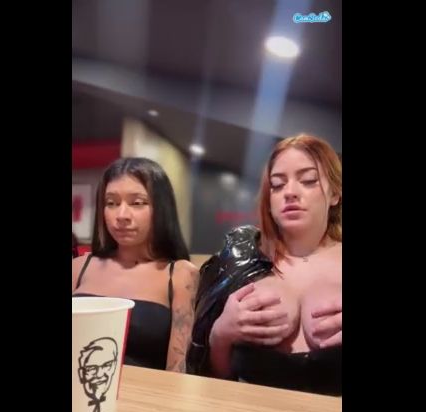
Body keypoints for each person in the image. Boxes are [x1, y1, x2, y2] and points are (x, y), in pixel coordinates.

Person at [190, 134, 342, 395]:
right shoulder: (238, 261)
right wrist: (221, 333)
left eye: (308, 180)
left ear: (335, 193)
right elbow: (210, 380)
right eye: (277, 185)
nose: (290, 192)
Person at [72, 157, 199, 372]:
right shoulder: (79, 267)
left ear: (161, 208)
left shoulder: (179, 275)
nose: (121, 215)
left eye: (137, 203)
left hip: (146, 391)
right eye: (111, 203)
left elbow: (177, 370)